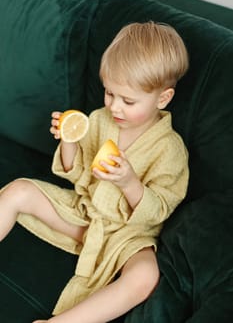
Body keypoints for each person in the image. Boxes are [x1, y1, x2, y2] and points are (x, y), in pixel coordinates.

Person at [0, 21, 189, 323]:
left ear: (163, 98)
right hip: (84, 218)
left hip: (124, 236)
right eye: (109, 93)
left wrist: (129, 183)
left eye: (128, 101)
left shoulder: (170, 149)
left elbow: (160, 210)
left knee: (145, 275)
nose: (115, 107)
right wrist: (69, 141)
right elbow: (76, 175)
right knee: (19, 190)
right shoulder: (100, 120)